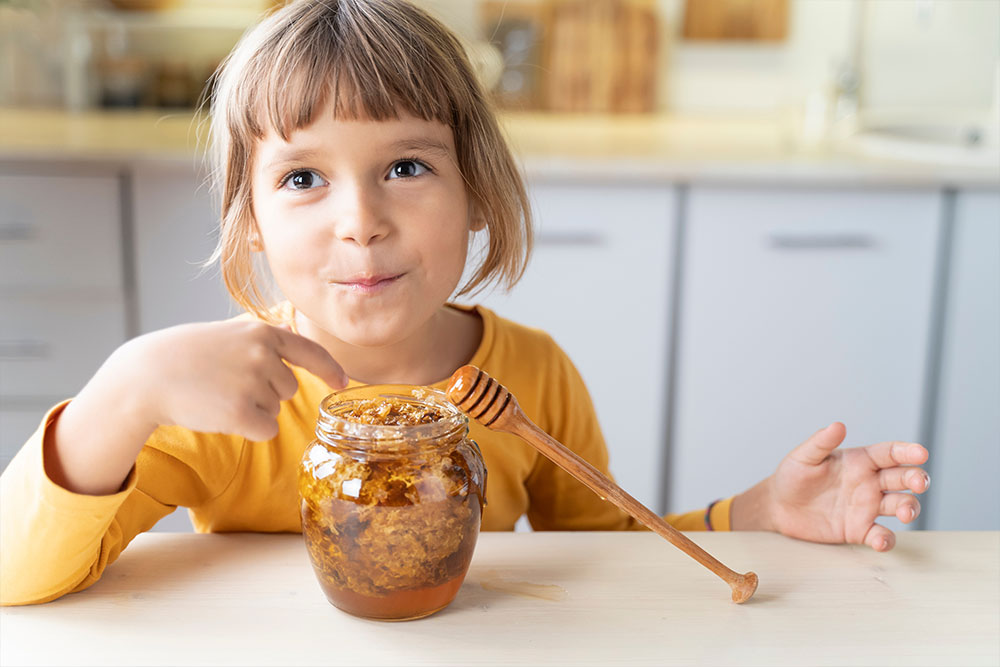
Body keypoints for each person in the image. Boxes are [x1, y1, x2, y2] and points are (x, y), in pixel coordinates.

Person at [0, 0, 929, 607]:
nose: (360, 223)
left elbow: (609, 559)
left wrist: (756, 510)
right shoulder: (218, 399)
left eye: (406, 167)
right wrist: (125, 390)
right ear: (249, 222)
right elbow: (15, 575)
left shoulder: (533, 375)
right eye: (303, 178)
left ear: (477, 190)